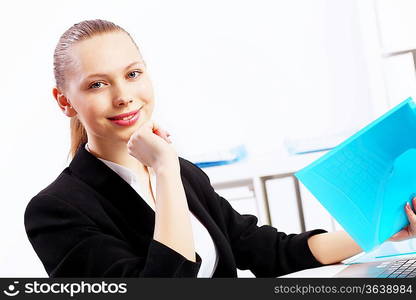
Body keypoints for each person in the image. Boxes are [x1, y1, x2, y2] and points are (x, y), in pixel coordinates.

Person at [24, 19, 416, 278]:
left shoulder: (184, 173)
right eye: (97, 84)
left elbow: (267, 250)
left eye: (132, 74)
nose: (124, 96)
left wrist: (380, 232)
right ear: (64, 101)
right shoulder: (55, 211)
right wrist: (164, 173)